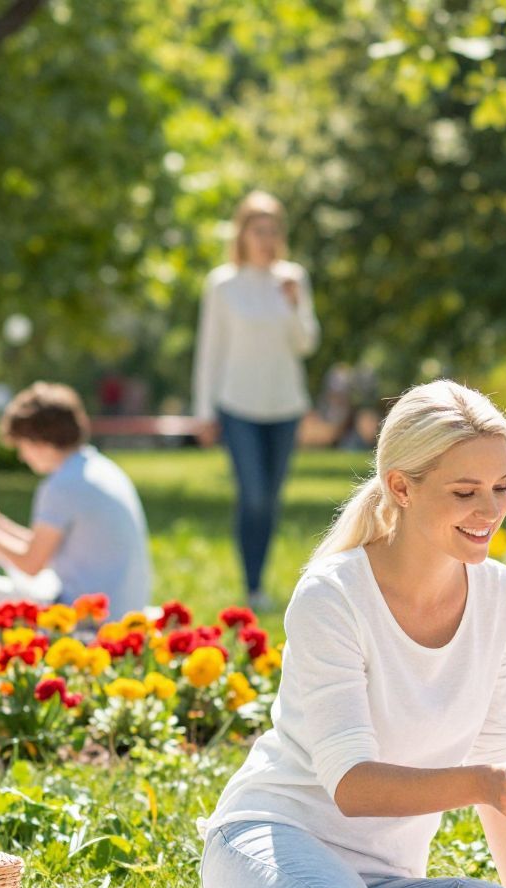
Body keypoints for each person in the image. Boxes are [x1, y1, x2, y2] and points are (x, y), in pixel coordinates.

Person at [0, 380, 506, 888]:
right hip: (272, 839)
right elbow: (352, 786)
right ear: (401, 487)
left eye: (502, 485)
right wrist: (482, 785)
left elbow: (499, 752)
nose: (491, 509)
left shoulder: (500, 595)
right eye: (465, 491)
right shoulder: (333, 594)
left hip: (381, 878)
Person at [192, 191, 321, 610]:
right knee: (254, 496)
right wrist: (203, 412)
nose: (266, 238)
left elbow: (306, 344)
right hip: (238, 406)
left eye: (273, 230)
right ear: (242, 234)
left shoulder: (293, 279)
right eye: (258, 229)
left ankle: (259, 585)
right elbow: (209, 351)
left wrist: (296, 305)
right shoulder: (223, 284)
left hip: (285, 406)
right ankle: (251, 586)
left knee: (272, 498)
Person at [0, 383, 153, 616]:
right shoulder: (98, 468)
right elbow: (48, 548)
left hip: (85, 618)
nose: (22, 455)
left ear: (40, 442)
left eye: (23, 445)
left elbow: (31, 564)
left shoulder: (61, 484)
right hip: (124, 608)